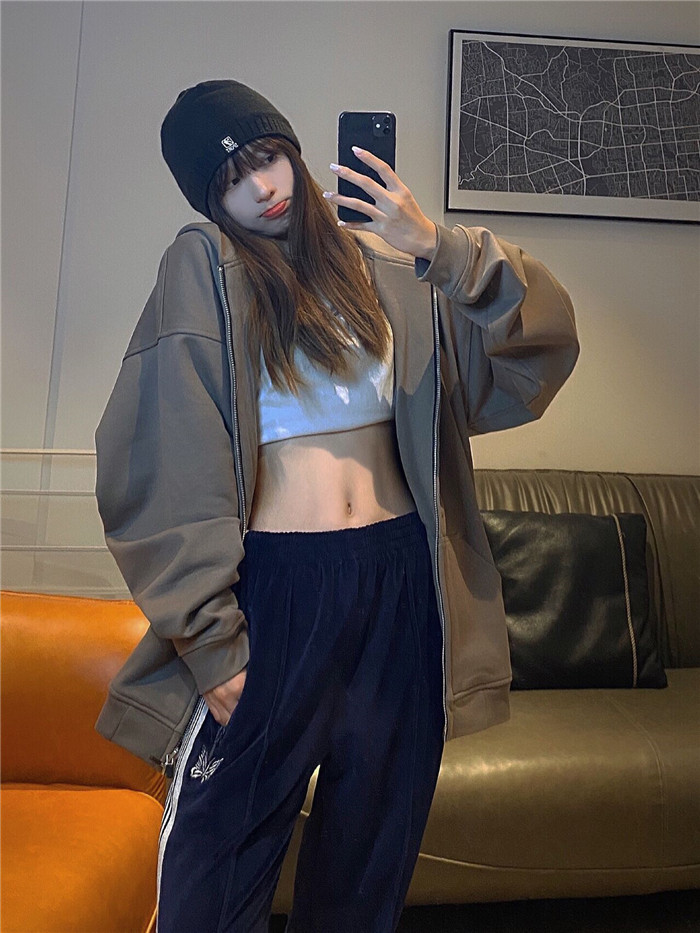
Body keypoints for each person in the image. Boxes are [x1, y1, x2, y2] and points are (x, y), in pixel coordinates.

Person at [93, 80, 579, 933]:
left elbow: (540, 347)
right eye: (231, 180)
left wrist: (437, 247)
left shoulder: (389, 268)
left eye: (267, 158)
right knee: (213, 878)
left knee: (364, 876)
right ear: (211, 200)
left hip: (402, 585)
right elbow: (162, 459)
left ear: (292, 148)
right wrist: (209, 639)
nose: (261, 188)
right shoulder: (204, 266)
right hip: (281, 593)